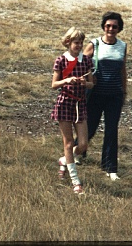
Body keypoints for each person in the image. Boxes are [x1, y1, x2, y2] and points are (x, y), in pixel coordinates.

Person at [81, 11, 127, 181]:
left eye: (114, 26)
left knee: (111, 130)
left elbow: (123, 70)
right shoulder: (94, 44)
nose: (111, 29)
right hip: (96, 94)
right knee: (90, 126)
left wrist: (124, 91)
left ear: (119, 29)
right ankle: (79, 151)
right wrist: (89, 78)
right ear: (103, 27)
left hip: (114, 95)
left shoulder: (122, 46)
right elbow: (82, 64)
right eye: (108, 26)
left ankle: (110, 167)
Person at [50, 27, 94, 194]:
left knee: (83, 144)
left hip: (80, 103)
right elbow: (54, 84)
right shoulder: (61, 60)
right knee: (68, 143)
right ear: (68, 43)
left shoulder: (87, 61)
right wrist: (67, 80)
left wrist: (85, 83)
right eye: (76, 42)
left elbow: (92, 83)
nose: (79, 45)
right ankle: (76, 181)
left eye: (81, 43)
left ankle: (64, 160)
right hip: (65, 102)